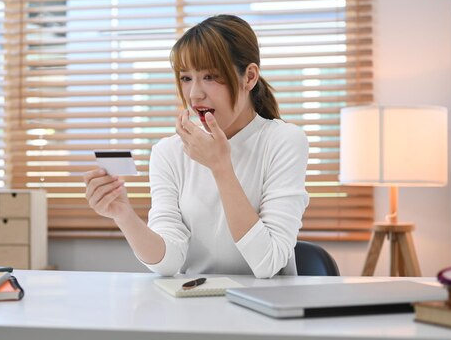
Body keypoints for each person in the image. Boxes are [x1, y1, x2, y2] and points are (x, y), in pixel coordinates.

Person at [83, 15, 309, 278]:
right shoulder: (168, 152)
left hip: (270, 306)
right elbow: (168, 263)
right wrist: (123, 215)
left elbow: (267, 263)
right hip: (195, 303)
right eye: (186, 78)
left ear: (249, 77)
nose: (194, 94)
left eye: (210, 76)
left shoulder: (284, 140)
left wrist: (220, 166)